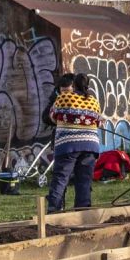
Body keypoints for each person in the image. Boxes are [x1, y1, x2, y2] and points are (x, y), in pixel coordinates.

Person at [46, 73, 102, 212]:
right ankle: (83, 213)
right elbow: (99, 123)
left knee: (60, 178)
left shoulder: (63, 97)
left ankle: (54, 211)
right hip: (90, 145)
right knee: (84, 180)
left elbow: (52, 116)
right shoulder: (93, 101)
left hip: (68, 145)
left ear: (74, 85)